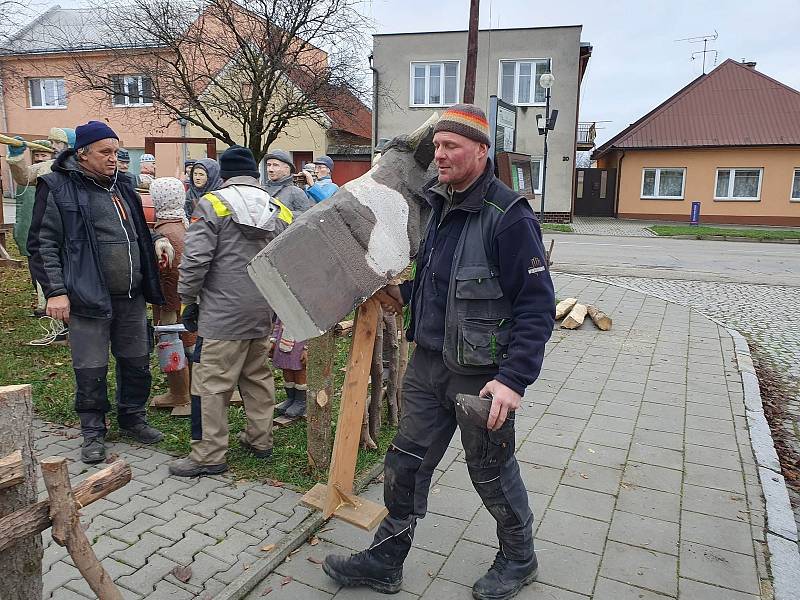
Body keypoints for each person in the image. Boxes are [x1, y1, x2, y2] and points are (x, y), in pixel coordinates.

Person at [322, 104, 556, 600]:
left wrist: (513, 380)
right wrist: (400, 295)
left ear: (481, 151)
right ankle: (386, 560)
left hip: (482, 374)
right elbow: (439, 279)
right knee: (405, 462)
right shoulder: (439, 204)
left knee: (490, 472)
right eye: (437, 146)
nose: (440, 155)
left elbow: (536, 306)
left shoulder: (507, 216)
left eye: (452, 147)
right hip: (429, 365)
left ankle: (519, 556)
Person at [27, 120, 166, 464]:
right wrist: (55, 291)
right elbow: (42, 244)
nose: (113, 159)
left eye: (117, 152)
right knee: (90, 367)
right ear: (82, 154)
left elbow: (137, 231)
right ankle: (92, 431)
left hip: (131, 295)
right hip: (86, 296)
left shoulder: (123, 185)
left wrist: (156, 243)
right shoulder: (56, 186)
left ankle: (132, 418)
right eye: (106, 152)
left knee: (136, 361)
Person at [169, 145, 293, 477]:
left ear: (223, 175)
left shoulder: (211, 204)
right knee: (257, 376)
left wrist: (188, 300)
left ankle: (209, 454)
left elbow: (195, 261)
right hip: (262, 309)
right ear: (255, 174)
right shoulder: (279, 209)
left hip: (221, 312)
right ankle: (260, 438)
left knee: (212, 384)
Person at [148, 177, 195, 415]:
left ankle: (179, 394)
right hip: (189, 301)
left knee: (170, 344)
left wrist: (165, 305)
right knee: (190, 343)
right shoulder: (185, 227)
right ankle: (192, 389)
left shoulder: (165, 232)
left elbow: (168, 274)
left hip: (171, 304)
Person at [270, 318, 308, 418]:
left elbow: (312, 328)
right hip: (283, 341)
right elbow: (278, 324)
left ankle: (301, 401)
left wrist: (307, 347)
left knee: (299, 371)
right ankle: (291, 398)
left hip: (299, 343)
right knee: (286, 370)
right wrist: (273, 340)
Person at [264, 149, 315, 215]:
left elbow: (303, 219)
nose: (270, 169)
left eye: (275, 165)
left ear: (287, 169)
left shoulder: (296, 192)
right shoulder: (262, 190)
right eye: (268, 165)